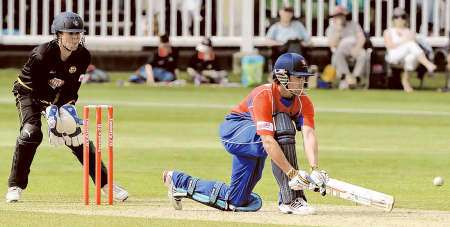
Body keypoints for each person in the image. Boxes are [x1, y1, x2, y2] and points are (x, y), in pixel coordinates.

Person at [162, 53, 328, 215]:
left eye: (303, 77)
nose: (303, 81)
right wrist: (293, 174)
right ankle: (291, 200)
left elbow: (308, 134)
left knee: (235, 201)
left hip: (257, 139)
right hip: (236, 132)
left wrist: (315, 169)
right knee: (282, 123)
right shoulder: (264, 95)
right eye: (298, 77)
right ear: (283, 76)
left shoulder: (303, 101)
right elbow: (268, 142)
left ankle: (179, 181)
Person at [5, 12, 128, 203]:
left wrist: (66, 111)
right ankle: (15, 186)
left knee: (76, 134)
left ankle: (106, 185)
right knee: (31, 133)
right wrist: (50, 112)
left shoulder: (83, 56)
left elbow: (71, 89)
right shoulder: (42, 54)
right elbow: (37, 89)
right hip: (28, 92)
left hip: (57, 96)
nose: (75, 38)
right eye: (70, 34)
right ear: (58, 34)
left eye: (78, 34)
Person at [384, 7, 437, 92]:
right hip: (393, 55)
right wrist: (404, 41)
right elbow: (390, 45)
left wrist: (404, 42)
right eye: (397, 17)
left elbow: (415, 43)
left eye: (402, 17)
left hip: (407, 55)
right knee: (410, 44)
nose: (400, 19)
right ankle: (427, 64)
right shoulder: (388, 31)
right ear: (393, 19)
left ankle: (405, 81)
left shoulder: (410, 31)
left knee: (411, 57)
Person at [326, 6, 367, 89]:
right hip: (340, 50)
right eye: (337, 16)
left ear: (345, 16)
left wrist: (357, 48)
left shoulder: (354, 24)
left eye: (341, 15)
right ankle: (347, 76)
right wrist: (338, 30)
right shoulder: (331, 28)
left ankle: (355, 77)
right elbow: (332, 44)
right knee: (338, 53)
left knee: (363, 54)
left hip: (354, 47)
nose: (339, 18)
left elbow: (362, 38)